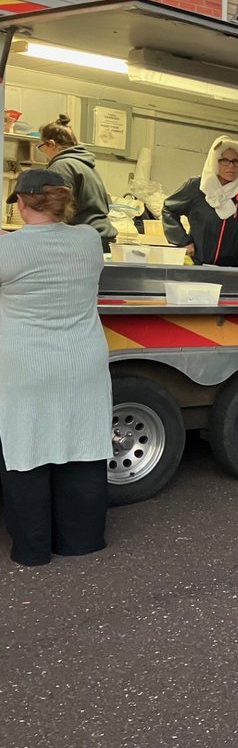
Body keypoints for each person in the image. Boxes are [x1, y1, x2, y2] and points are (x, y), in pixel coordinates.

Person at [0, 169, 112, 566]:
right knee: (81, 444)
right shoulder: (88, 241)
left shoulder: (10, 249)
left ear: (21, 202)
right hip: (84, 361)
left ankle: (34, 549)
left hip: (27, 365)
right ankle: (81, 539)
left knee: (27, 447)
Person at [162, 136, 238, 270]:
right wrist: (183, 241)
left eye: (236, 161)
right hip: (199, 265)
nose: (231, 166)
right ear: (214, 161)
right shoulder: (197, 187)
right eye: (225, 161)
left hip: (236, 269)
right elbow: (169, 209)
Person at [37, 114, 117, 250]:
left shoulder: (61, 166)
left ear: (52, 144)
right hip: (100, 237)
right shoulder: (86, 165)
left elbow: (57, 210)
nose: (43, 152)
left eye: (42, 147)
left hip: (81, 241)